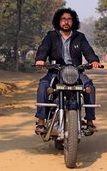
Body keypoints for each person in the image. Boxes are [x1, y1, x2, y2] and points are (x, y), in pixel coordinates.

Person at [34, 7, 101, 135]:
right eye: (63, 19)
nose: (66, 22)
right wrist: (40, 59)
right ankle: (41, 121)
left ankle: (90, 121)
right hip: (55, 71)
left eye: (69, 19)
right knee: (43, 86)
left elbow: (88, 51)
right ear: (58, 21)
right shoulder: (51, 36)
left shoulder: (79, 37)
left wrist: (94, 61)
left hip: (76, 72)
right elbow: (43, 48)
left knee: (89, 87)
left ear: (73, 21)